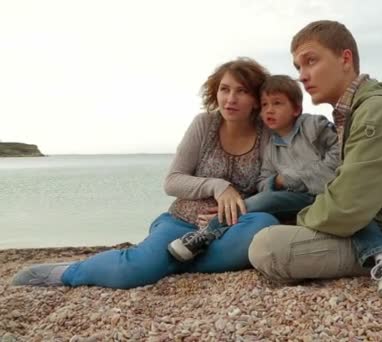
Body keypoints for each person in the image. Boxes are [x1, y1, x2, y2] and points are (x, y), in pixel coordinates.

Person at [11, 57, 280, 289]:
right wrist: (217, 186)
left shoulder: (267, 135)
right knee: (136, 271)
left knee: (265, 224)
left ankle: (167, 261)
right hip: (180, 223)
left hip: (226, 229)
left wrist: (237, 206)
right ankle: (69, 271)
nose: (230, 98)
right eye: (224, 89)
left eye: (242, 91)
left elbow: (266, 187)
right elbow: (172, 181)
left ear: (256, 99)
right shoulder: (205, 124)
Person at [248, 20, 382, 297]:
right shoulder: (352, 113)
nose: (302, 76)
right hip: (374, 220)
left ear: (345, 59)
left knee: (267, 247)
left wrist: (300, 216)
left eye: (311, 61)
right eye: (298, 67)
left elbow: (347, 208)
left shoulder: (377, 112)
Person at [167, 75, 382, 296]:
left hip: (334, 193)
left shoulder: (314, 126)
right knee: (264, 201)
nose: (269, 110)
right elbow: (264, 184)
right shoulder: (270, 146)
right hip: (299, 200)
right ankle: (205, 235)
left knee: (354, 215)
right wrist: (276, 183)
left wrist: (287, 179)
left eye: (277, 103)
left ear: (296, 109)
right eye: (264, 105)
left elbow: (339, 157)